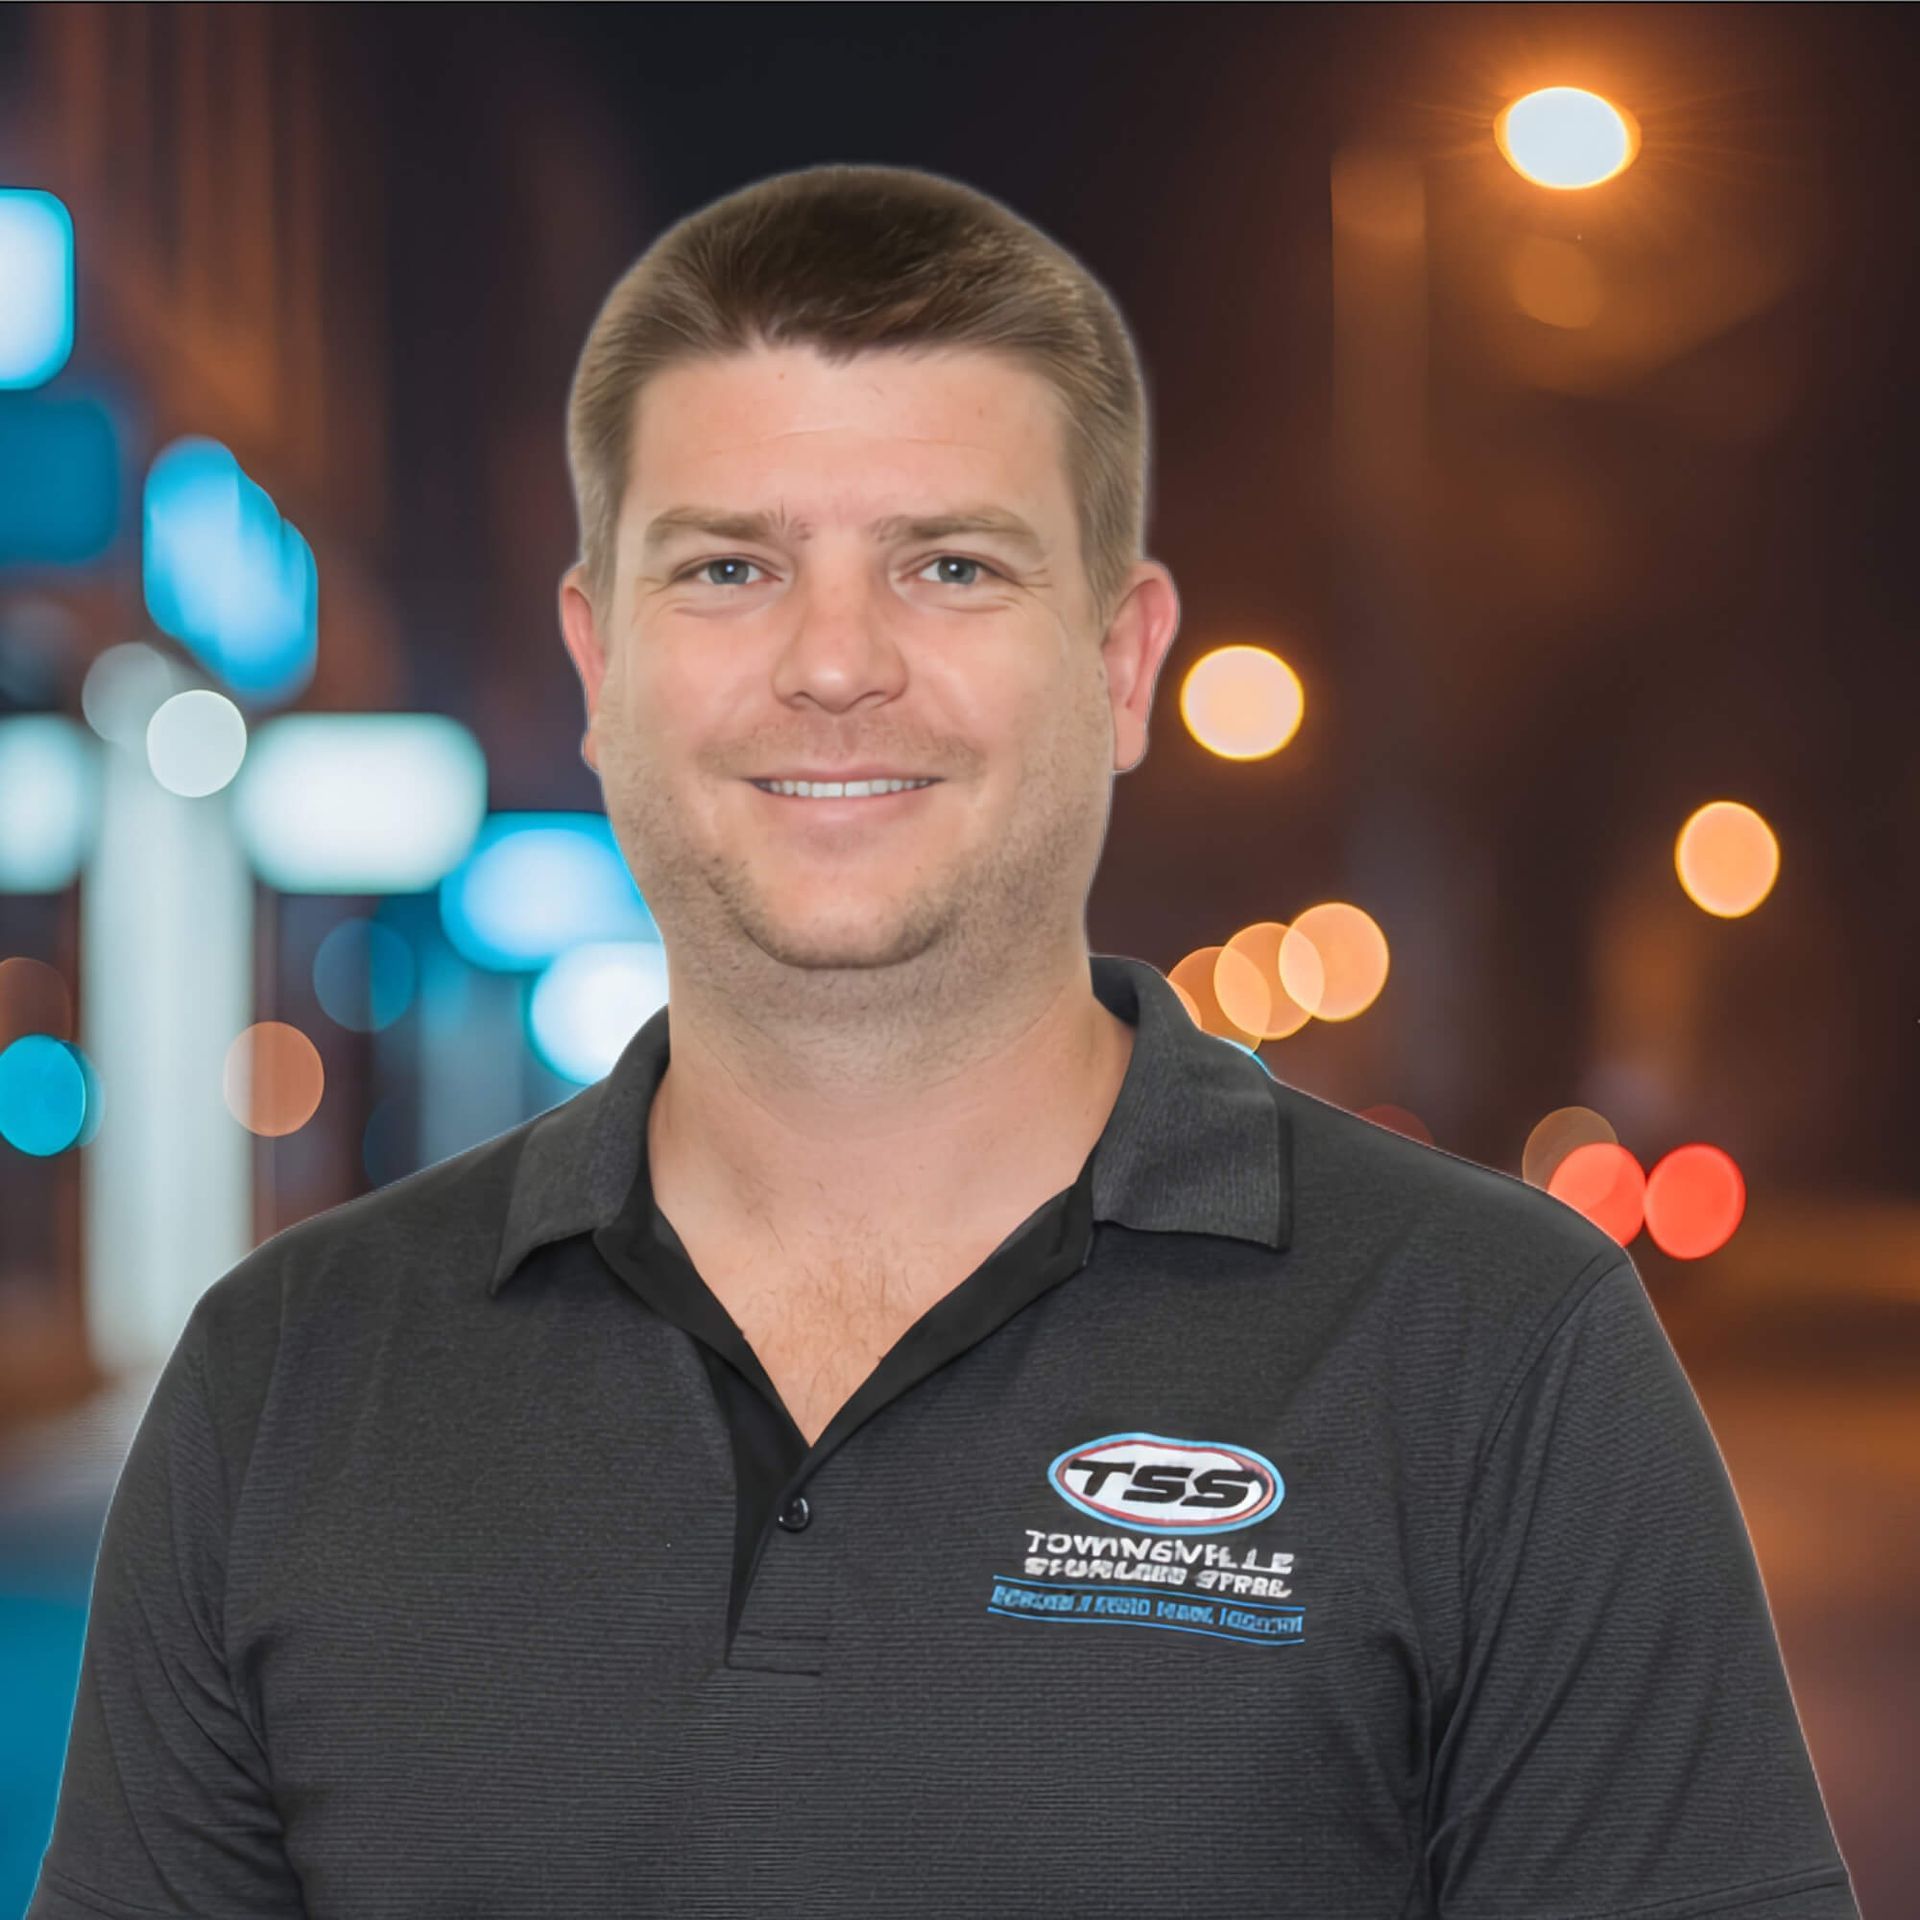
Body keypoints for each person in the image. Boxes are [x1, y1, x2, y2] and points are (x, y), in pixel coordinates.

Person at [29, 163, 1859, 1919]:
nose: (836, 663)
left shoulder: (1498, 1352)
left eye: (954, 567)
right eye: (728, 569)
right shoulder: (288, 1374)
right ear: (596, 668)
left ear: (1123, 663)